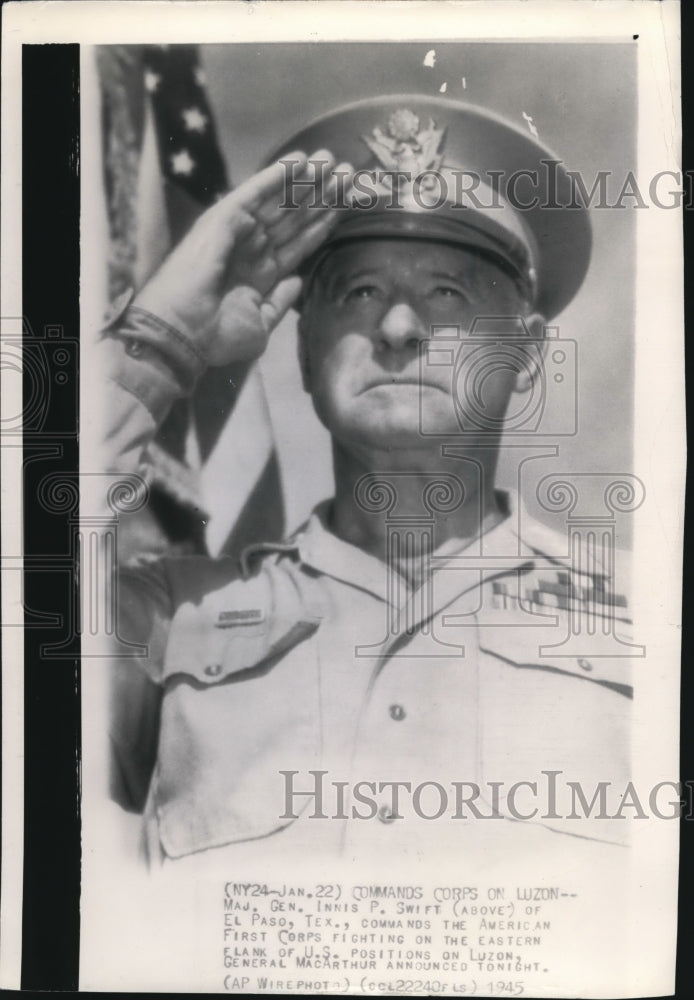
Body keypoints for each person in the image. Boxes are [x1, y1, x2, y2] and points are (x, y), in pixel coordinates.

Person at [99, 96, 633, 866]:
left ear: (527, 352)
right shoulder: (165, 620)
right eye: (359, 293)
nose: (397, 329)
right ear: (303, 349)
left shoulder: (649, 618)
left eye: (448, 293)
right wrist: (156, 346)